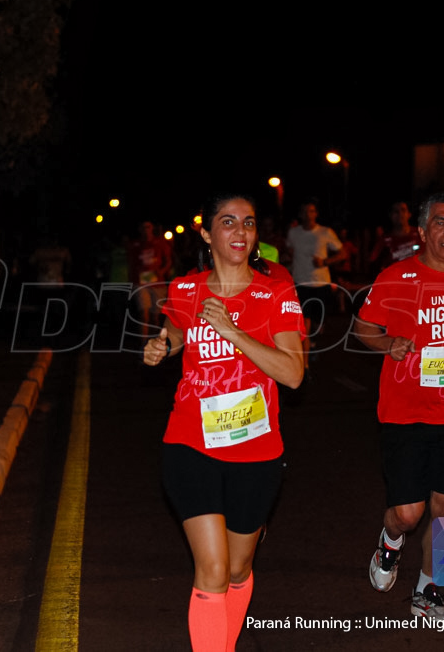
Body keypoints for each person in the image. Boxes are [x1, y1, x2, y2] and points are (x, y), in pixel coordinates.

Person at [143, 194, 304, 652]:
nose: (240, 231)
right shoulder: (186, 289)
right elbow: (176, 328)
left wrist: (234, 331)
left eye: (248, 223)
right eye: (228, 222)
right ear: (207, 233)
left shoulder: (276, 290)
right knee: (211, 570)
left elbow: (293, 373)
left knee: (236, 570)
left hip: (256, 452)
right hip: (190, 445)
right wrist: (165, 344)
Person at [354, 192, 444, 621]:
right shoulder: (395, 277)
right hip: (404, 411)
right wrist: (388, 343)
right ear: (422, 231)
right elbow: (363, 327)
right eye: (440, 222)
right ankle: (390, 542)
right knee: (407, 514)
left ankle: (427, 590)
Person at [285, 201, 345, 375]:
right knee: (305, 321)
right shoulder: (293, 232)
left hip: (321, 283)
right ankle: (306, 361)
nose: (307, 214)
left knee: (318, 324)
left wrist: (325, 262)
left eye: (311, 211)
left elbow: (343, 253)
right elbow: (289, 250)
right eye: (304, 211)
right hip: (300, 282)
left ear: (316, 213)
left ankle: (312, 342)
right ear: (300, 214)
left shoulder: (325, 232)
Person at [128, 220, 173, 342]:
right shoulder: (135, 244)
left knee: (156, 316)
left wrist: (162, 271)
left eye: (148, 227)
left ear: (152, 228)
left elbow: (168, 260)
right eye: (143, 227)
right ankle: (143, 344)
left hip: (157, 284)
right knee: (144, 314)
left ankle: (155, 341)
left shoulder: (160, 242)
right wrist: (131, 282)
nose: (146, 229)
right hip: (141, 284)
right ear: (140, 229)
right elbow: (132, 264)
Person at [368, 200, 423, 272]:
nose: (400, 214)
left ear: (409, 214)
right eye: (396, 211)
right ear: (390, 216)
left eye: (403, 210)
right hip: (396, 279)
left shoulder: (420, 233)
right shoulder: (384, 239)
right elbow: (372, 259)